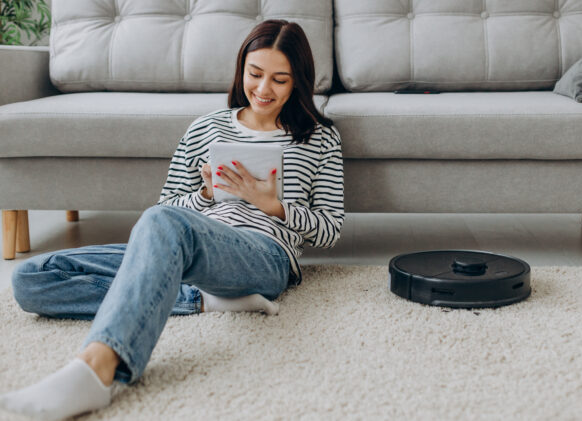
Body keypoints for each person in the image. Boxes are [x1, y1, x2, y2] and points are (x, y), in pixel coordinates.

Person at [0, 19, 344, 420]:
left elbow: (331, 229)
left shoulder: (320, 138)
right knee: (33, 278)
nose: (264, 90)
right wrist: (204, 195)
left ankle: (97, 368)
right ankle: (204, 300)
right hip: (187, 249)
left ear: (298, 81)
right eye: (255, 75)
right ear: (241, 71)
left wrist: (275, 207)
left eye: (280, 80)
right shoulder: (205, 128)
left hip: (262, 254)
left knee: (162, 223)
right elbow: (166, 207)